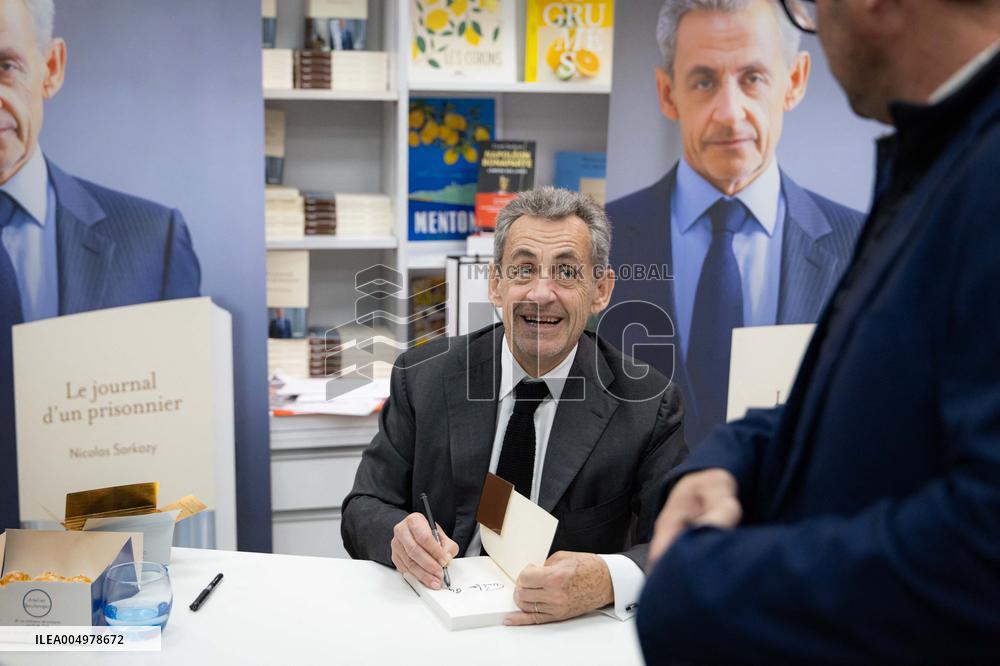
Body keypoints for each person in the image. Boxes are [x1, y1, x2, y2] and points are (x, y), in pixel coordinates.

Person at [637, 0, 1000, 662]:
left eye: (807, 4)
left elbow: (985, 544)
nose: (814, 17)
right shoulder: (938, 161)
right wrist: (732, 460)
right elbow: (868, 408)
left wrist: (701, 591)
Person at [342, 187, 687, 624]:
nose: (540, 294)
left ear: (600, 290)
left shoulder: (648, 403)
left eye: (565, 272)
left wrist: (605, 578)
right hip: (434, 621)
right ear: (495, 284)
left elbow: (684, 545)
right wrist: (398, 538)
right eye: (523, 270)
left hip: (568, 634)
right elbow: (364, 504)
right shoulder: (423, 376)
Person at [601, 0, 863, 447]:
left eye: (753, 78)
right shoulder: (598, 241)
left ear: (794, 82)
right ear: (668, 93)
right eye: (704, 81)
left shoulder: (861, 246)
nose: (729, 111)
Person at [0, 0, 201, 529]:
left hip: (107, 575)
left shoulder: (152, 242)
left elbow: (177, 449)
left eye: (5, 65)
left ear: (51, 69)